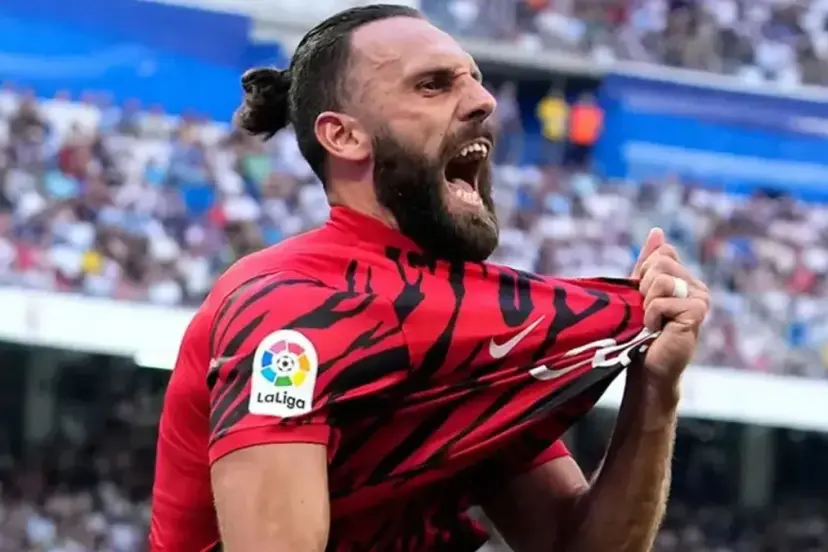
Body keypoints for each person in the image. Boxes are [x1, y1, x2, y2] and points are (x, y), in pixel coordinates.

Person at [149, 4, 710, 552]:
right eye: (433, 85)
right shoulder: (289, 312)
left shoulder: (467, 326)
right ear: (343, 136)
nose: (485, 100)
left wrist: (655, 391)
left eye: (475, 79)